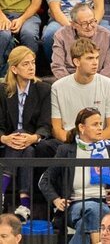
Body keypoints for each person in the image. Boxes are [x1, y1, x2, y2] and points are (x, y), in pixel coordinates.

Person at [39, 108, 110, 244]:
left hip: (105, 204)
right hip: (75, 205)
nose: (100, 128)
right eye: (95, 124)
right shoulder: (66, 150)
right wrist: (56, 200)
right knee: (96, 209)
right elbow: (45, 180)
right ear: (82, 127)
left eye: (101, 124)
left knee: (87, 222)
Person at [0, 46, 57, 222]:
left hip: (32, 141)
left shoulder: (43, 89)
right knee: (23, 144)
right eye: (26, 64)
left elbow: (45, 125)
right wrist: (4, 138)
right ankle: (24, 204)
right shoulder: (2, 90)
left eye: (32, 63)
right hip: (9, 141)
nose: (31, 67)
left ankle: (1, 192)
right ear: (14, 69)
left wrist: (33, 137)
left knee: (28, 146)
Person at [51, 37, 110, 143]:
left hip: (99, 140)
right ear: (76, 61)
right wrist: (78, 143)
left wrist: (87, 141)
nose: (95, 63)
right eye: (90, 58)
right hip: (70, 141)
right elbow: (57, 130)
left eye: (97, 58)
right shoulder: (58, 87)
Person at [51, 3, 110, 80]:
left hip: (97, 81)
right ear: (73, 24)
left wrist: (94, 84)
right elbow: (58, 66)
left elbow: (109, 69)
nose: (89, 27)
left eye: (92, 21)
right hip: (69, 79)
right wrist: (71, 84)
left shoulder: (106, 36)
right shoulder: (61, 35)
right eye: (84, 24)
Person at [42, 0, 110, 62]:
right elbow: (55, 11)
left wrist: (91, 25)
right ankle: (56, 65)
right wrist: (75, 27)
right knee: (50, 34)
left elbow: (99, 9)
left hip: (90, 19)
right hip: (62, 20)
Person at [0, 0, 43, 77]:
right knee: (4, 35)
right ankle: (3, 76)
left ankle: (29, 74)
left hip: (27, 15)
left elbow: (36, 3)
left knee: (29, 34)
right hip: (2, 14)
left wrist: (21, 19)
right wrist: (2, 17)